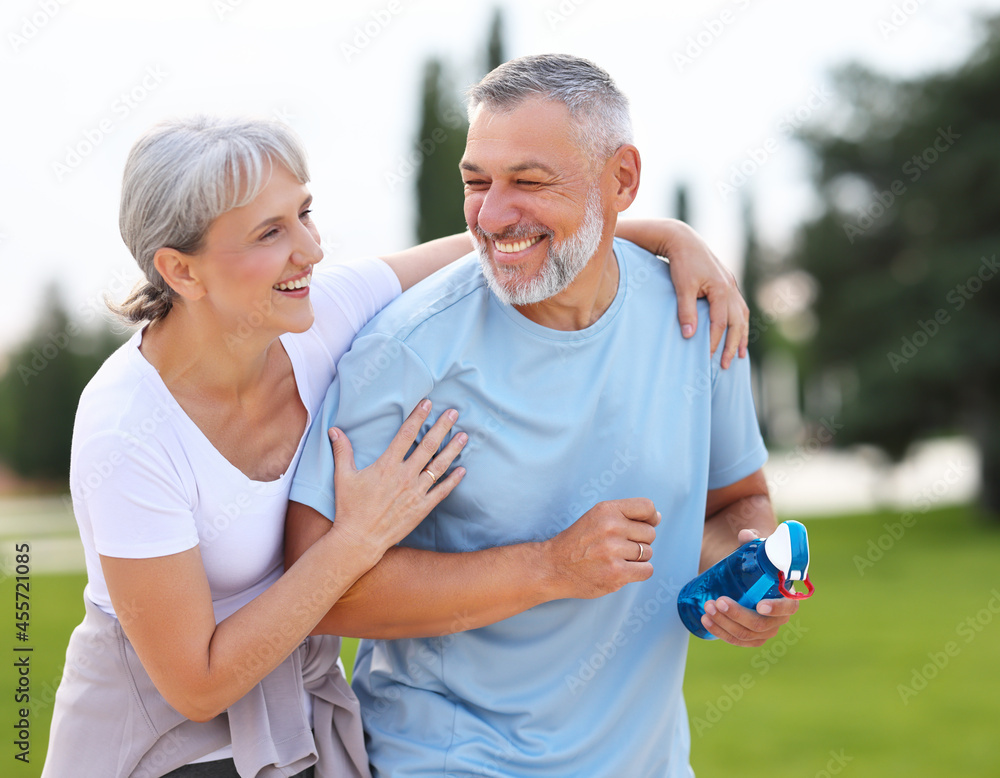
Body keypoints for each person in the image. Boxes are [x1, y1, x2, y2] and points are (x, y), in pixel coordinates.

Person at [42, 114, 749, 778]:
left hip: (300, 723)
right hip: (159, 740)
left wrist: (668, 236)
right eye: (269, 234)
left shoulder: (322, 309)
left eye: (305, 214)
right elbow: (197, 684)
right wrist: (356, 542)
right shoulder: (126, 430)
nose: (311, 250)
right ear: (182, 271)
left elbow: (494, 248)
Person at [286, 54, 800, 778]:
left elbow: (737, 501)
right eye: (477, 183)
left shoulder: (699, 318)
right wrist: (550, 567)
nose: (492, 216)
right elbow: (321, 589)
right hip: (449, 760)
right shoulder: (405, 353)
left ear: (620, 179)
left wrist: (749, 577)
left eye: (527, 182)